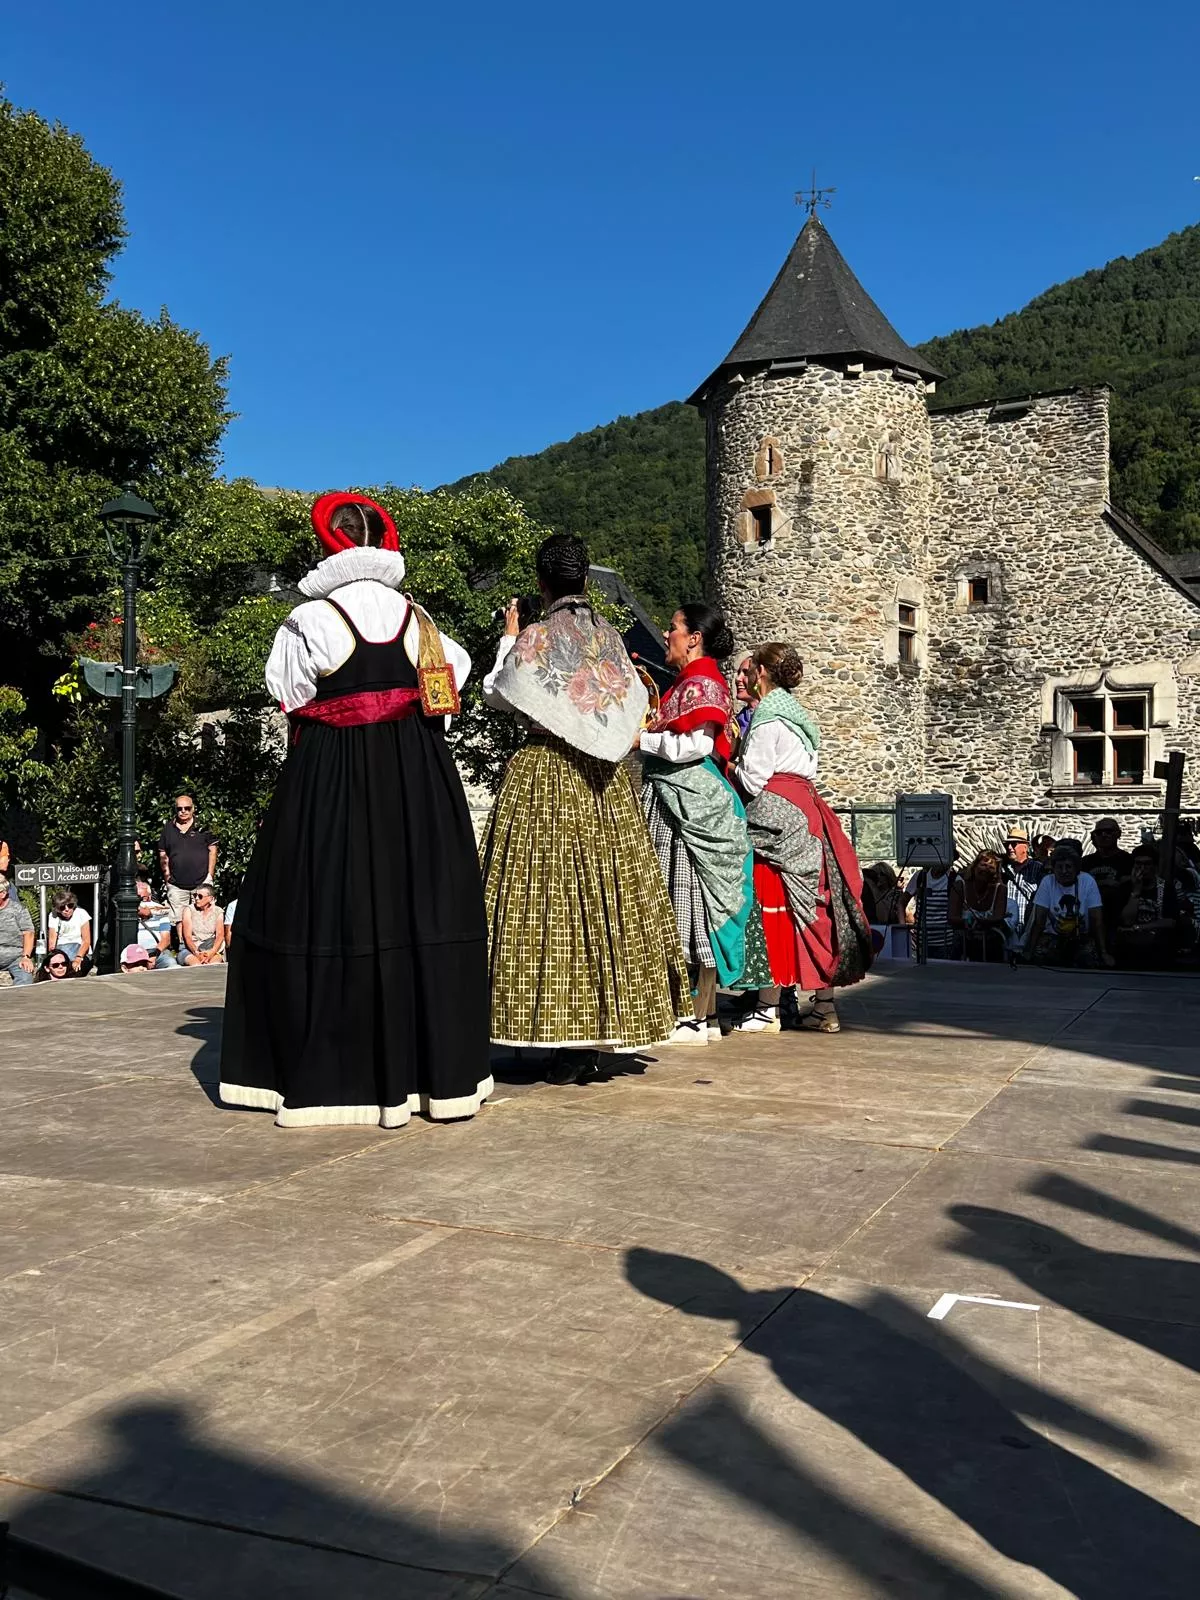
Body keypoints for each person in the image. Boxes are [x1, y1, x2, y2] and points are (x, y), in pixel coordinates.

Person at [219, 492, 492, 1128]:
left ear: (330, 543)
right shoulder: (421, 619)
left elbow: (290, 692)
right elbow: (451, 682)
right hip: (417, 777)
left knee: (325, 900)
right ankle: (432, 1080)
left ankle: (334, 1074)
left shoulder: (309, 619)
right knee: (419, 902)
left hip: (333, 772)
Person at [480, 533, 689, 1081]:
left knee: (543, 899)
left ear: (541, 582)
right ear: (585, 581)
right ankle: (594, 1033)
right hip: (604, 782)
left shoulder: (535, 636)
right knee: (606, 901)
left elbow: (498, 693)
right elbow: (631, 704)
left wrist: (508, 639)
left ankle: (544, 1025)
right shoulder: (611, 639)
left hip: (545, 773)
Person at [729, 642, 872, 1033]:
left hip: (777, 815)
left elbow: (753, 780)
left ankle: (766, 1007)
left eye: (750, 669)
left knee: (773, 900)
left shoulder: (766, 717)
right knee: (815, 904)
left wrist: (730, 762)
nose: (746, 675)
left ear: (761, 673)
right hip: (809, 811)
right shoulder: (799, 714)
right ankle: (824, 1006)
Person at [638, 603, 758, 1044]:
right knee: (686, 901)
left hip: (689, 804)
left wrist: (642, 739)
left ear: (694, 638)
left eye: (673, 628)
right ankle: (699, 1016)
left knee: (685, 901)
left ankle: (691, 1016)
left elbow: (695, 746)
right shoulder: (690, 682)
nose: (666, 634)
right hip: (679, 800)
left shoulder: (702, 683)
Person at [1027, 846, 1112, 967]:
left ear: (1076, 869)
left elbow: (1097, 920)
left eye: (1068, 867)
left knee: (1088, 959)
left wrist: (1103, 952)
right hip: (1052, 936)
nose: (1064, 871)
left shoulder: (1087, 881)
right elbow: (1039, 921)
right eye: (1059, 867)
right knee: (1041, 958)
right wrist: (1030, 951)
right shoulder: (1047, 882)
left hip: (1081, 936)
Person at [1113, 844, 1184, 969]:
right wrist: (1136, 892)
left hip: (1158, 948)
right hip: (1129, 949)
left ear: (1155, 867)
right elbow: (1126, 921)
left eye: (1147, 864)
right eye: (1138, 864)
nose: (1142, 868)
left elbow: (1171, 921)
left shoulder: (1166, 889)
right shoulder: (1125, 888)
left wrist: (1139, 927)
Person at [157, 796, 218, 926]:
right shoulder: (168, 828)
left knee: (204, 918)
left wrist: (210, 875)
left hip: (202, 882)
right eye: (180, 808)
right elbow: (163, 853)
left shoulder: (203, 826)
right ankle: (181, 940)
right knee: (179, 920)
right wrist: (167, 877)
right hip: (176, 885)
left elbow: (213, 850)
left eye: (187, 808)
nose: (183, 811)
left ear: (193, 808)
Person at [1080, 817, 1134, 943]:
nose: (1104, 835)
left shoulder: (1128, 860)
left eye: (1109, 831)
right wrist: (1106, 883)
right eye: (1099, 832)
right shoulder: (1085, 862)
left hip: (1117, 920)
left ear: (1118, 834)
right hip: (1089, 919)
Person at [949, 850, 1008, 962]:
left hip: (991, 947)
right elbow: (952, 917)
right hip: (963, 947)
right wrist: (967, 922)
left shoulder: (1000, 889)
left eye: (991, 867)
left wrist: (979, 923)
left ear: (996, 872)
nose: (986, 869)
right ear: (974, 867)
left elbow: (998, 917)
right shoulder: (960, 885)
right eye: (983, 865)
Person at [903, 854, 960, 959]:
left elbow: (955, 913)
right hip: (920, 943)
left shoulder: (955, 880)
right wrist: (902, 928)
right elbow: (901, 902)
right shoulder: (920, 876)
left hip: (945, 943)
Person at [1001, 826, 1043, 948]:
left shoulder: (1039, 869)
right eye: (1007, 844)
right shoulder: (1002, 869)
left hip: (1030, 928)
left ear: (1026, 847)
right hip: (1007, 929)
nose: (1009, 847)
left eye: (1014, 844)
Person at [136, 874, 177, 968]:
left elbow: (166, 939)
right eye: (137, 898)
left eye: (143, 898)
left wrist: (154, 955)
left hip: (156, 951)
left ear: (149, 896)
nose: (140, 902)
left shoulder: (160, 910)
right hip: (135, 953)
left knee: (171, 964)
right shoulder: (127, 910)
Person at [47, 889, 92, 974]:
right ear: (57, 909)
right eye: (62, 908)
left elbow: (86, 941)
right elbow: (52, 942)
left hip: (80, 950)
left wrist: (78, 958)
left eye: (70, 906)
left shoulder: (81, 913)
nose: (67, 910)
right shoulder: (53, 916)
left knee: (76, 969)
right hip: (61, 950)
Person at [0, 877, 35, 987]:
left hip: (14, 958)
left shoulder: (18, 910)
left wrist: (26, 957)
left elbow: (28, 933)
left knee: (25, 977)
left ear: (2, 894)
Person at [179, 885, 225, 966]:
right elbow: (187, 937)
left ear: (211, 899)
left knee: (214, 964)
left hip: (211, 948)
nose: (196, 898)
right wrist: (197, 953)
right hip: (190, 949)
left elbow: (220, 936)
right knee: (196, 965)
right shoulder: (189, 910)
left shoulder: (218, 912)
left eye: (200, 896)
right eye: (195, 895)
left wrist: (211, 952)